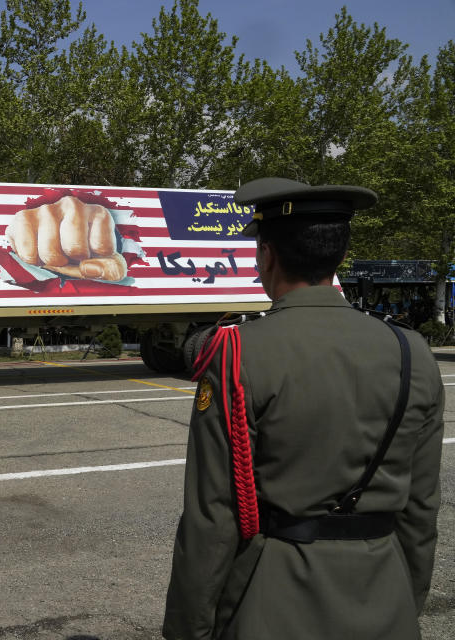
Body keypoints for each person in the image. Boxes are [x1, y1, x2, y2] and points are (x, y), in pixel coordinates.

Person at [163, 177, 444, 639]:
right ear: (338, 256)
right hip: (384, 593)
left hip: (272, 602)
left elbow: (212, 518)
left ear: (267, 255)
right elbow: (420, 510)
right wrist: (403, 603)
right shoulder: (412, 352)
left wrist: (187, 631)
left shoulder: (238, 354)